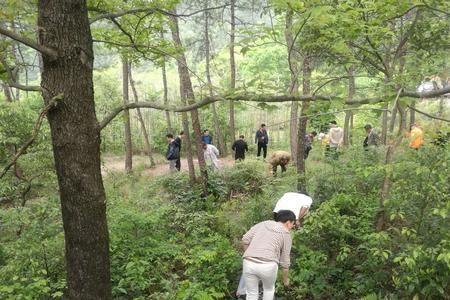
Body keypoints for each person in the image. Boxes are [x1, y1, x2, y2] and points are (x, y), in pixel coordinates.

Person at [241, 210, 296, 300]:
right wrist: (285, 281)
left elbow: (245, 240)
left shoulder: (263, 223)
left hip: (248, 262)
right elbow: (285, 261)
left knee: (251, 293)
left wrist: (250, 254)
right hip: (268, 265)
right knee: (269, 290)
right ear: (288, 222)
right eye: (293, 224)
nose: (292, 227)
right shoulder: (286, 234)